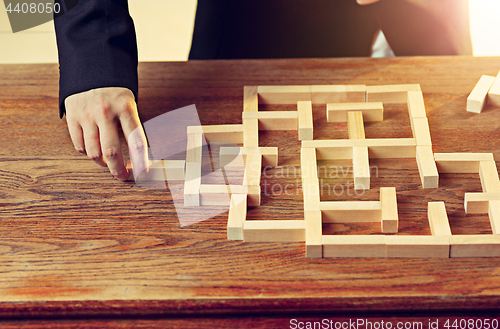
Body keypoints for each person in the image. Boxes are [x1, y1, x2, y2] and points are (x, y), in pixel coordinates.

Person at [54, 0, 472, 181]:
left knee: (452, 119)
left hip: (384, 23)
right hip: (250, 21)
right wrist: (94, 51)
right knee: (211, 183)